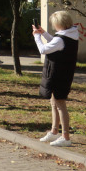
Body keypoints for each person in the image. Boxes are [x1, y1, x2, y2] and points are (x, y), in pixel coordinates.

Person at [34, 10, 80, 148]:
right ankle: (54, 131)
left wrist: (37, 37)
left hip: (59, 74)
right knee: (54, 102)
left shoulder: (61, 39)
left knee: (60, 103)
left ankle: (65, 136)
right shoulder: (70, 34)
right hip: (63, 72)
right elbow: (55, 42)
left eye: (54, 23)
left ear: (59, 24)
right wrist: (43, 33)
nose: (53, 26)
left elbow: (44, 49)